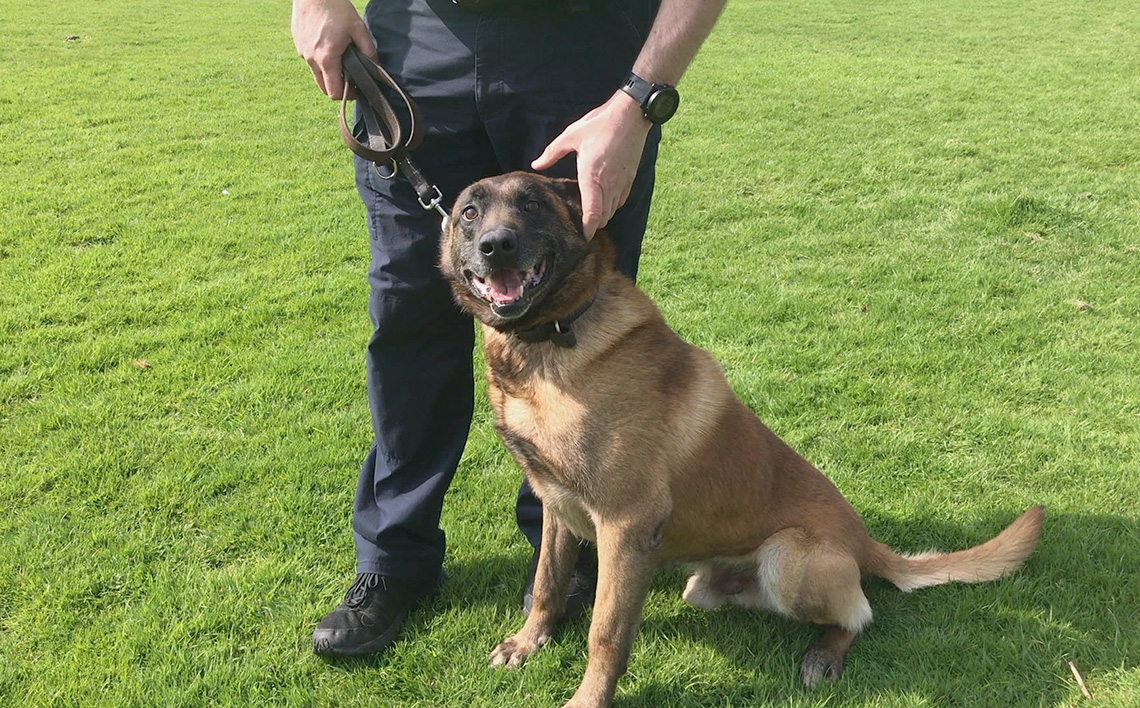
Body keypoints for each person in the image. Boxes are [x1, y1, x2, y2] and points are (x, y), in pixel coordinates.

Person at [291, 0, 725, 657]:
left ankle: (570, 554)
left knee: (581, 314)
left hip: (588, 49)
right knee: (409, 319)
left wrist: (639, 98)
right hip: (416, 42)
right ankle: (394, 557)